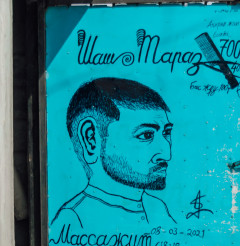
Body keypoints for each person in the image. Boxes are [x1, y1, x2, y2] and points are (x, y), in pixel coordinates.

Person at [51, 78, 176, 232]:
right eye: (146, 135)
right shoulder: (73, 218)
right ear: (91, 139)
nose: (166, 155)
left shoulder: (157, 208)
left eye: (167, 133)